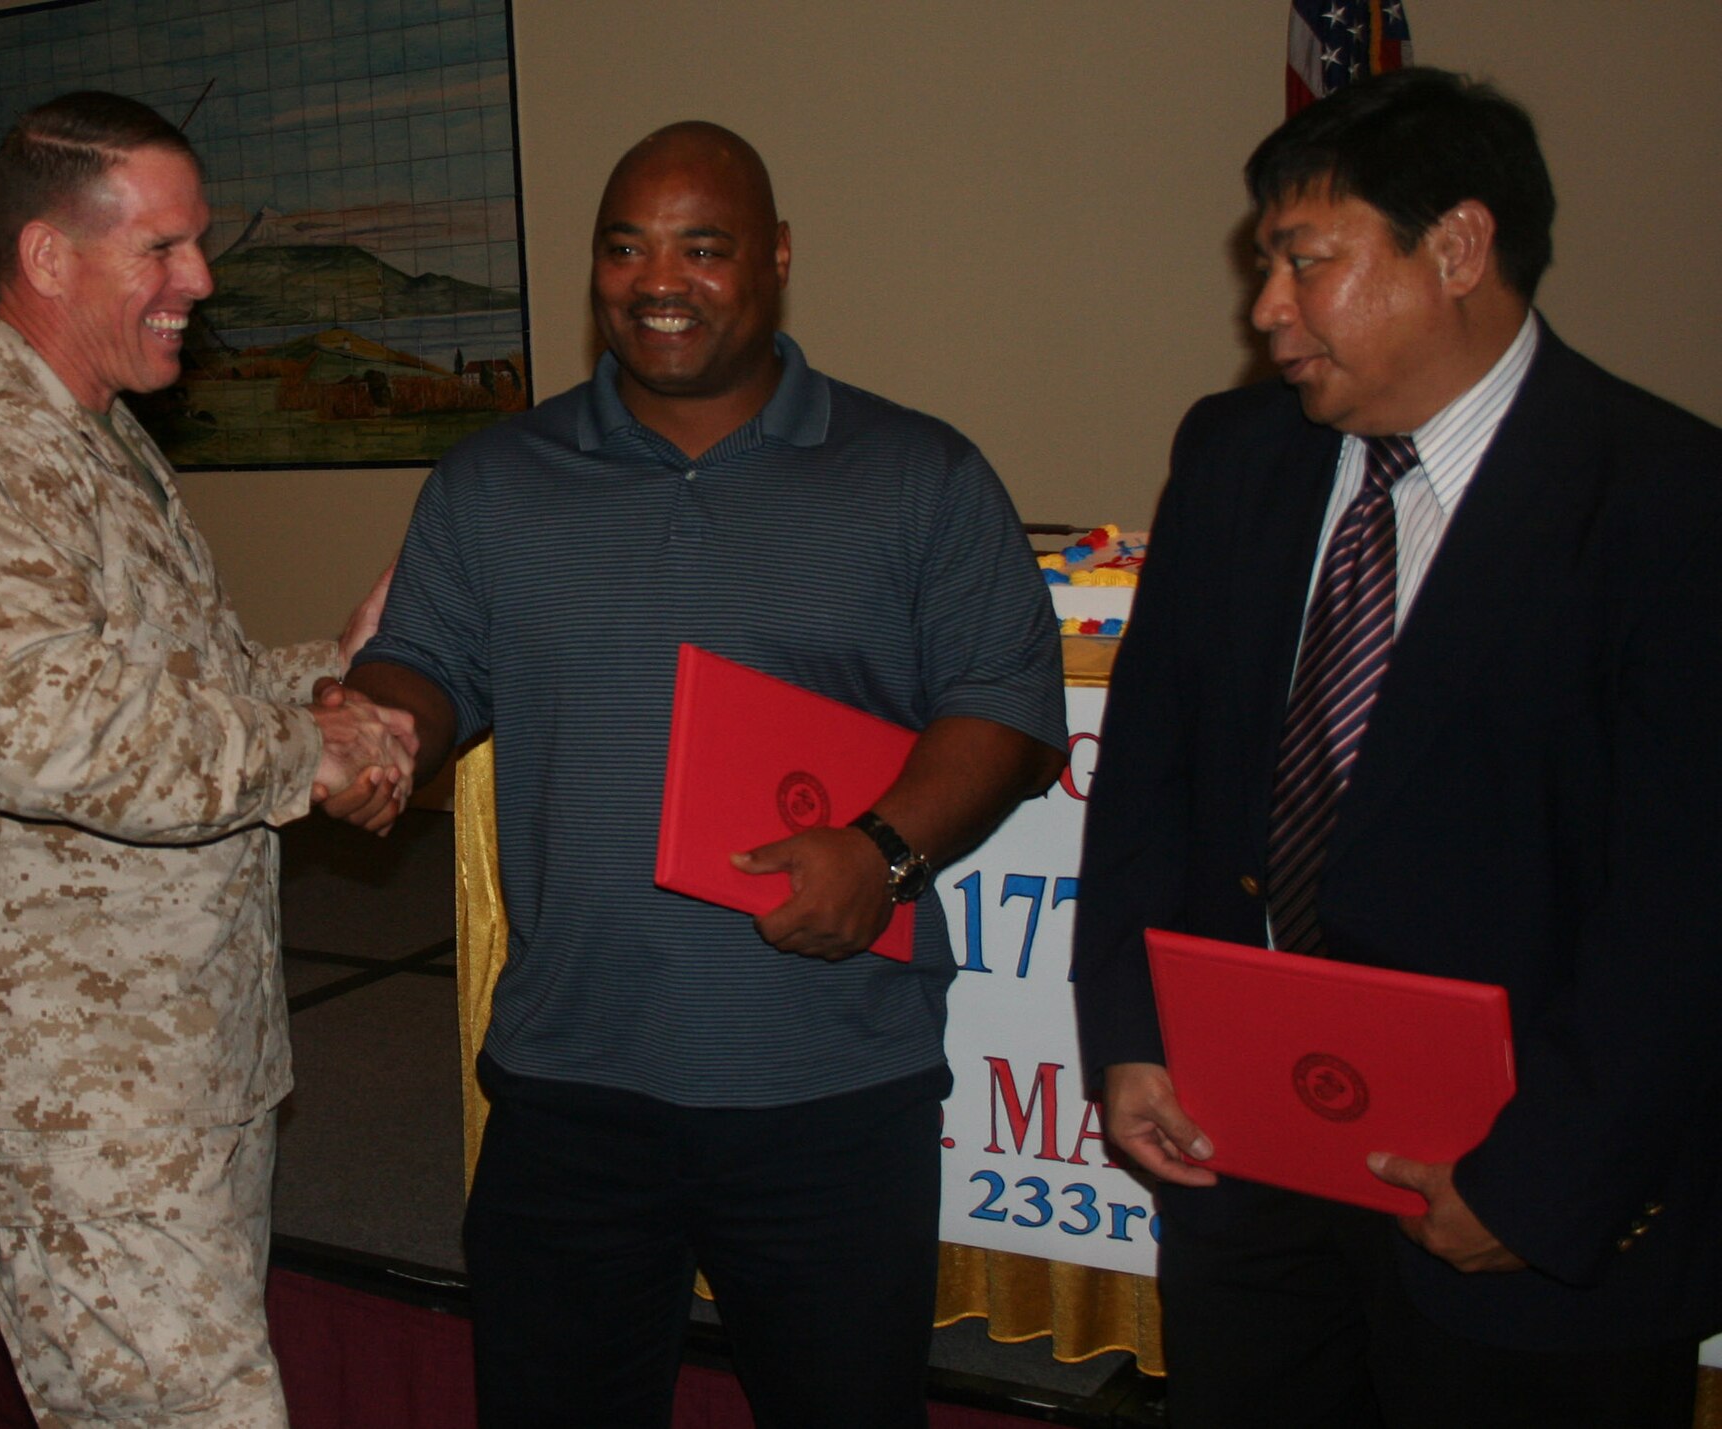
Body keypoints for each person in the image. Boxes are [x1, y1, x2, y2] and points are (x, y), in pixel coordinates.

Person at [331, 120, 1067, 1428]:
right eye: (624, 246)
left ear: (775, 261)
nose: (654, 278)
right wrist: (377, 727)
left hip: (832, 1088)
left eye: (701, 247)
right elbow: (425, 664)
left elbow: (1004, 707)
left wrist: (885, 853)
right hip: (572, 1082)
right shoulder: (495, 482)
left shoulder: (919, 474)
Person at [1072, 67, 1722, 1429]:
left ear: (1460, 249)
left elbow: (1683, 907)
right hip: (1243, 1183)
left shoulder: (1665, 502)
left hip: (1521, 1226)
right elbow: (1151, 772)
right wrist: (1133, 1031)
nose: (1267, 312)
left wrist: (1538, 1184)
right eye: (1266, 268)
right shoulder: (1235, 453)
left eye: (1307, 263)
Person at [0, 91, 413, 1428]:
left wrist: (335, 674)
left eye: (196, 243)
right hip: (76, 1082)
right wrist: (309, 746)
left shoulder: (90, 443)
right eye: (162, 248)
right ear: (51, 257)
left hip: (173, 1057)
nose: (200, 279)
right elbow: (54, 731)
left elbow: (169, 680)